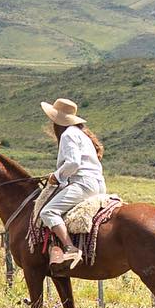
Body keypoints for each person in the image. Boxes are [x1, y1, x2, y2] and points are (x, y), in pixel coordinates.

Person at [38, 97, 107, 272]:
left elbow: (73, 163)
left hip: (83, 184)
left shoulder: (68, 135)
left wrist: (56, 176)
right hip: (98, 185)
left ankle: (70, 248)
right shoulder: (81, 133)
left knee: (48, 211)